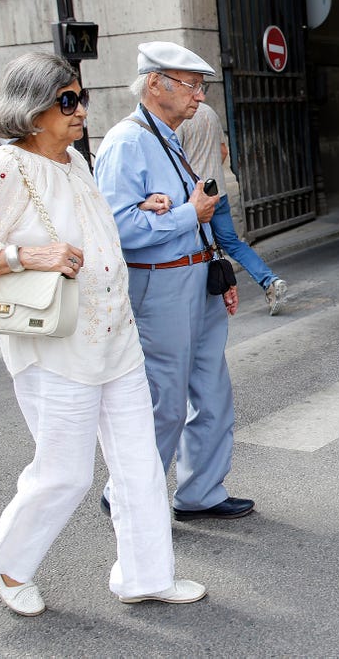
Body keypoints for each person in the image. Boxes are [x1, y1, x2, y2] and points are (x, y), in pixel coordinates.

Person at [0, 52, 206, 615]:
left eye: (81, 97)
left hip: (116, 341)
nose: (81, 110)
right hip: (55, 347)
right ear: (32, 111)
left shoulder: (76, 161)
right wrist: (22, 255)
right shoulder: (2, 168)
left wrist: (145, 206)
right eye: (67, 100)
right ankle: (11, 567)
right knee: (65, 472)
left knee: (140, 465)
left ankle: (145, 576)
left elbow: (98, 236)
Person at [94, 42, 254, 520]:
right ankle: (129, 495)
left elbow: (192, 216)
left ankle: (201, 492)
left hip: (192, 280)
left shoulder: (166, 135)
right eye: (191, 85)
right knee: (163, 400)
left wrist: (215, 269)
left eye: (201, 86)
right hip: (158, 288)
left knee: (212, 392)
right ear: (154, 83)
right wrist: (186, 215)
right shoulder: (127, 142)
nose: (200, 96)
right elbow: (118, 230)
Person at [177, 102, 287, 315]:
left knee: (195, 250)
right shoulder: (210, 112)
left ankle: (202, 307)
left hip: (196, 196)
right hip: (218, 191)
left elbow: (176, 161)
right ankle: (270, 281)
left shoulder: (179, 117)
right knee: (232, 244)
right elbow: (223, 151)